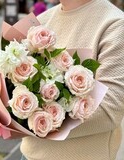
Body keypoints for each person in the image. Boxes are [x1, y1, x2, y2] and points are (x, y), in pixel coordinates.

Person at [20, 0, 124, 159]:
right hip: (28, 155)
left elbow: (109, 109)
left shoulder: (115, 24)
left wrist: (24, 121)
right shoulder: (40, 21)